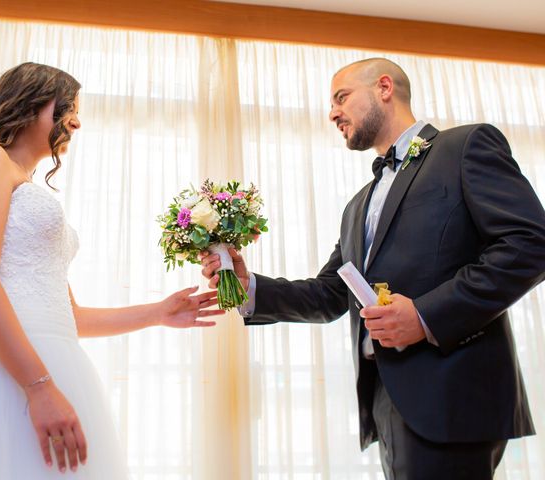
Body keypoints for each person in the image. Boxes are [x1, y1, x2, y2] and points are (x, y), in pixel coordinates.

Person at [201, 58, 545, 479]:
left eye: (341, 97)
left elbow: (530, 244)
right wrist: (246, 285)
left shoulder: (466, 146)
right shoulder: (356, 206)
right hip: (388, 402)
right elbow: (328, 295)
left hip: (452, 395)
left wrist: (424, 316)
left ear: (384, 87)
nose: (332, 113)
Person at [0, 62, 222, 479]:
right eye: (66, 105)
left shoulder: (22, 181)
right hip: (1, 374)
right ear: (28, 101)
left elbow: (67, 317)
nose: (75, 119)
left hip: (52, 362)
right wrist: (38, 388)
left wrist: (159, 312)